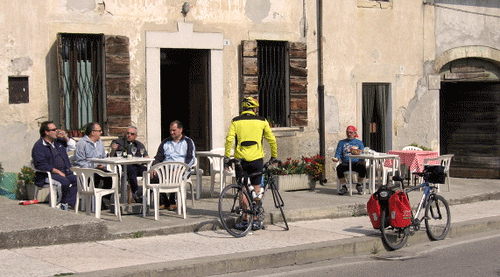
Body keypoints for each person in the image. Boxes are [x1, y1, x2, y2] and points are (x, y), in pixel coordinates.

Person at [224, 96, 278, 231]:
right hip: (256, 159)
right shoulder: (262, 121)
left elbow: (229, 139)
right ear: (254, 109)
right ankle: (255, 220)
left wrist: (226, 157)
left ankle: (244, 220)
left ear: (243, 108)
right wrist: (274, 156)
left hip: (240, 160)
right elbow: (272, 139)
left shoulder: (236, 121)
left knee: (243, 188)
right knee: (256, 188)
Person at [32, 121, 78, 209]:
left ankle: (67, 203)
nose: (57, 131)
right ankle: (62, 203)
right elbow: (39, 164)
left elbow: (73, 147)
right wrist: (56, 171)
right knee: (65, 182)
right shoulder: (39, 146)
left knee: (78, 180)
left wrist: (66, 137)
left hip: (65, 171)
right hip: (48, 174)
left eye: (56, 129)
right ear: (46, 132)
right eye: (53, 130)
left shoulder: (58, 142)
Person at [152, 120, 195, 211]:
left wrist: (182, 168)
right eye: (171, 130)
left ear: (181, 130)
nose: (172, 132)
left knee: (175, 176)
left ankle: (173, 202)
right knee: (154, 176)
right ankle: (164, 201)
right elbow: (158, 157)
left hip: (182, 169)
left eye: (174, 130)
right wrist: (154, 167)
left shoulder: (188, 142)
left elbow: (191, 158)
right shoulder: (165, 142)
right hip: (166, 168)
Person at [74, 122, 113, 207]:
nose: (101, 132)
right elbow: (79, 161)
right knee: (95, 178)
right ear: (93, 132)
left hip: (99, 169)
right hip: (87, 171)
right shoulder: (82, 143)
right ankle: (95, 203)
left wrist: (103, 165)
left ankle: (103, 198)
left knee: (111, 177)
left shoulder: (100, 143)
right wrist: (94, 166)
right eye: (99, 131)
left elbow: (103, 158)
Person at [109, 126, 149, 202]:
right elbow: (111, 156)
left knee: (149, 171)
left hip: (137, 166)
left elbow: (146, 156)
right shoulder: (118, 142)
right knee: (131, 170)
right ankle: (136, 193)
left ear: (135, 136)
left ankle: (147, 193)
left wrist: (143, 161)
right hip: (124, 167)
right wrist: (113, 150)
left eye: (131, 134)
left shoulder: (139, 144)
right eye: (127, 133)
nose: (129, 135)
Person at [332, 125, 366, 195]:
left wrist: (359, 154)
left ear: (354, 133)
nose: (348, 134)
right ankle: (344, 186)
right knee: (339, 168)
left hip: (356, 162)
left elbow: (363, 153)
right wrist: (336, 158)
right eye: (347, 132)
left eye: (350, 132)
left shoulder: (359, 142)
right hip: (346, 163)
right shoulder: (341, 142)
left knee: (363, 167)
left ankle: (359, 185)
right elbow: (338, 153)